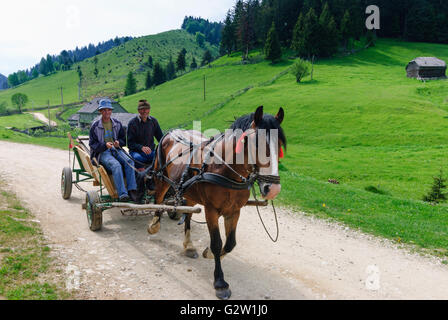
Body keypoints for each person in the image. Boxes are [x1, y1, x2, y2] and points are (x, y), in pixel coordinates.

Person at [89, 98, 138, 202]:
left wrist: (118, 143)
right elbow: (92, 144)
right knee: (116, 165)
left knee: (129, 161)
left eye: (109, 110)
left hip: (116, 150)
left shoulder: (117, 124)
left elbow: (123, 140)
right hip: (102, 152)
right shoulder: (95, 126)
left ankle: (132, 190)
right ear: (100, 111)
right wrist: (104, 145)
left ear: (111, 111)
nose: (107, 112)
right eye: (104, 110)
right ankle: (122, 194)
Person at [127, 99, 163, 170]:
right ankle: (142, 177)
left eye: (146, 109)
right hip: (136, 152)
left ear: (149, 110)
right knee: (138, 158)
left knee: (161, 157)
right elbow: (130, 144)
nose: (145, 111)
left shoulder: (153, 121)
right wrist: (141, 147)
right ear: (138, 110)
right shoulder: (132, 123)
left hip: (151, 152)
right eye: (142, 109)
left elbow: (161, 138)